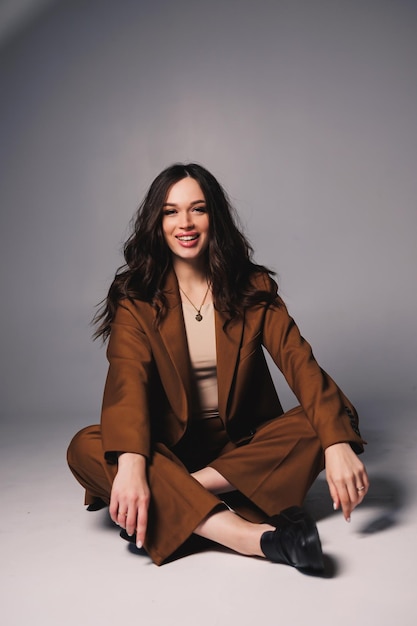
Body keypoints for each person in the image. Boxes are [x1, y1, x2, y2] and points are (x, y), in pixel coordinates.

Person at [67, 163, 369, 571]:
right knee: (86, 445)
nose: (185, 223)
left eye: (198, 209)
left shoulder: (253, 287)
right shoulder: (135, 297)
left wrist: (335, 444)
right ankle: (253, 539)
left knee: (338, 415)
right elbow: (128, 382)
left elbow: (301, 364)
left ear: (215, 217)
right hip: (165, 449)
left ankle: (170, 503)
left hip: (238, 449)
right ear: (156, 222)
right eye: (171, 211)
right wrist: (135, 464)